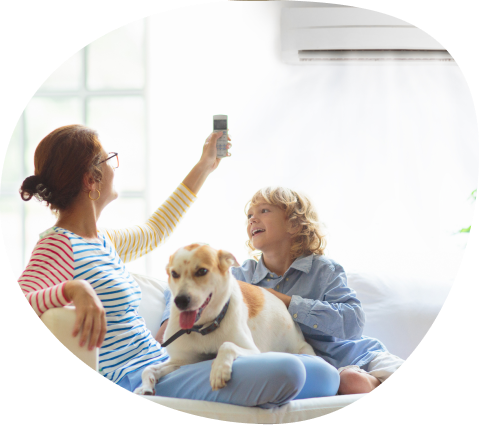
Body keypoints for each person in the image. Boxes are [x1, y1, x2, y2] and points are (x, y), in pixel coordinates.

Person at [17, 124, 339, 407]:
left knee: (325, 376)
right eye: (109, 158)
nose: (116, 166)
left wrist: (206, 165)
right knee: (290, 371)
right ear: (92, 180)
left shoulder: (103, 241)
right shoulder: (59, 244)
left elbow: (155, 231)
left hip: (166, 364)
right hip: (138, 378)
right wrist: (75, 289)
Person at [229, 186, 405, 395]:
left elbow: (353, 323)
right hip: (320, 371)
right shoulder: (240, 277)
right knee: (349, 381)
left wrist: (286, 302)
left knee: (353, 380)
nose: (252, 219)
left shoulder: (324, 269)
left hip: (358, 356)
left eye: (264, 211)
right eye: (249, 215)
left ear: (293, 224)